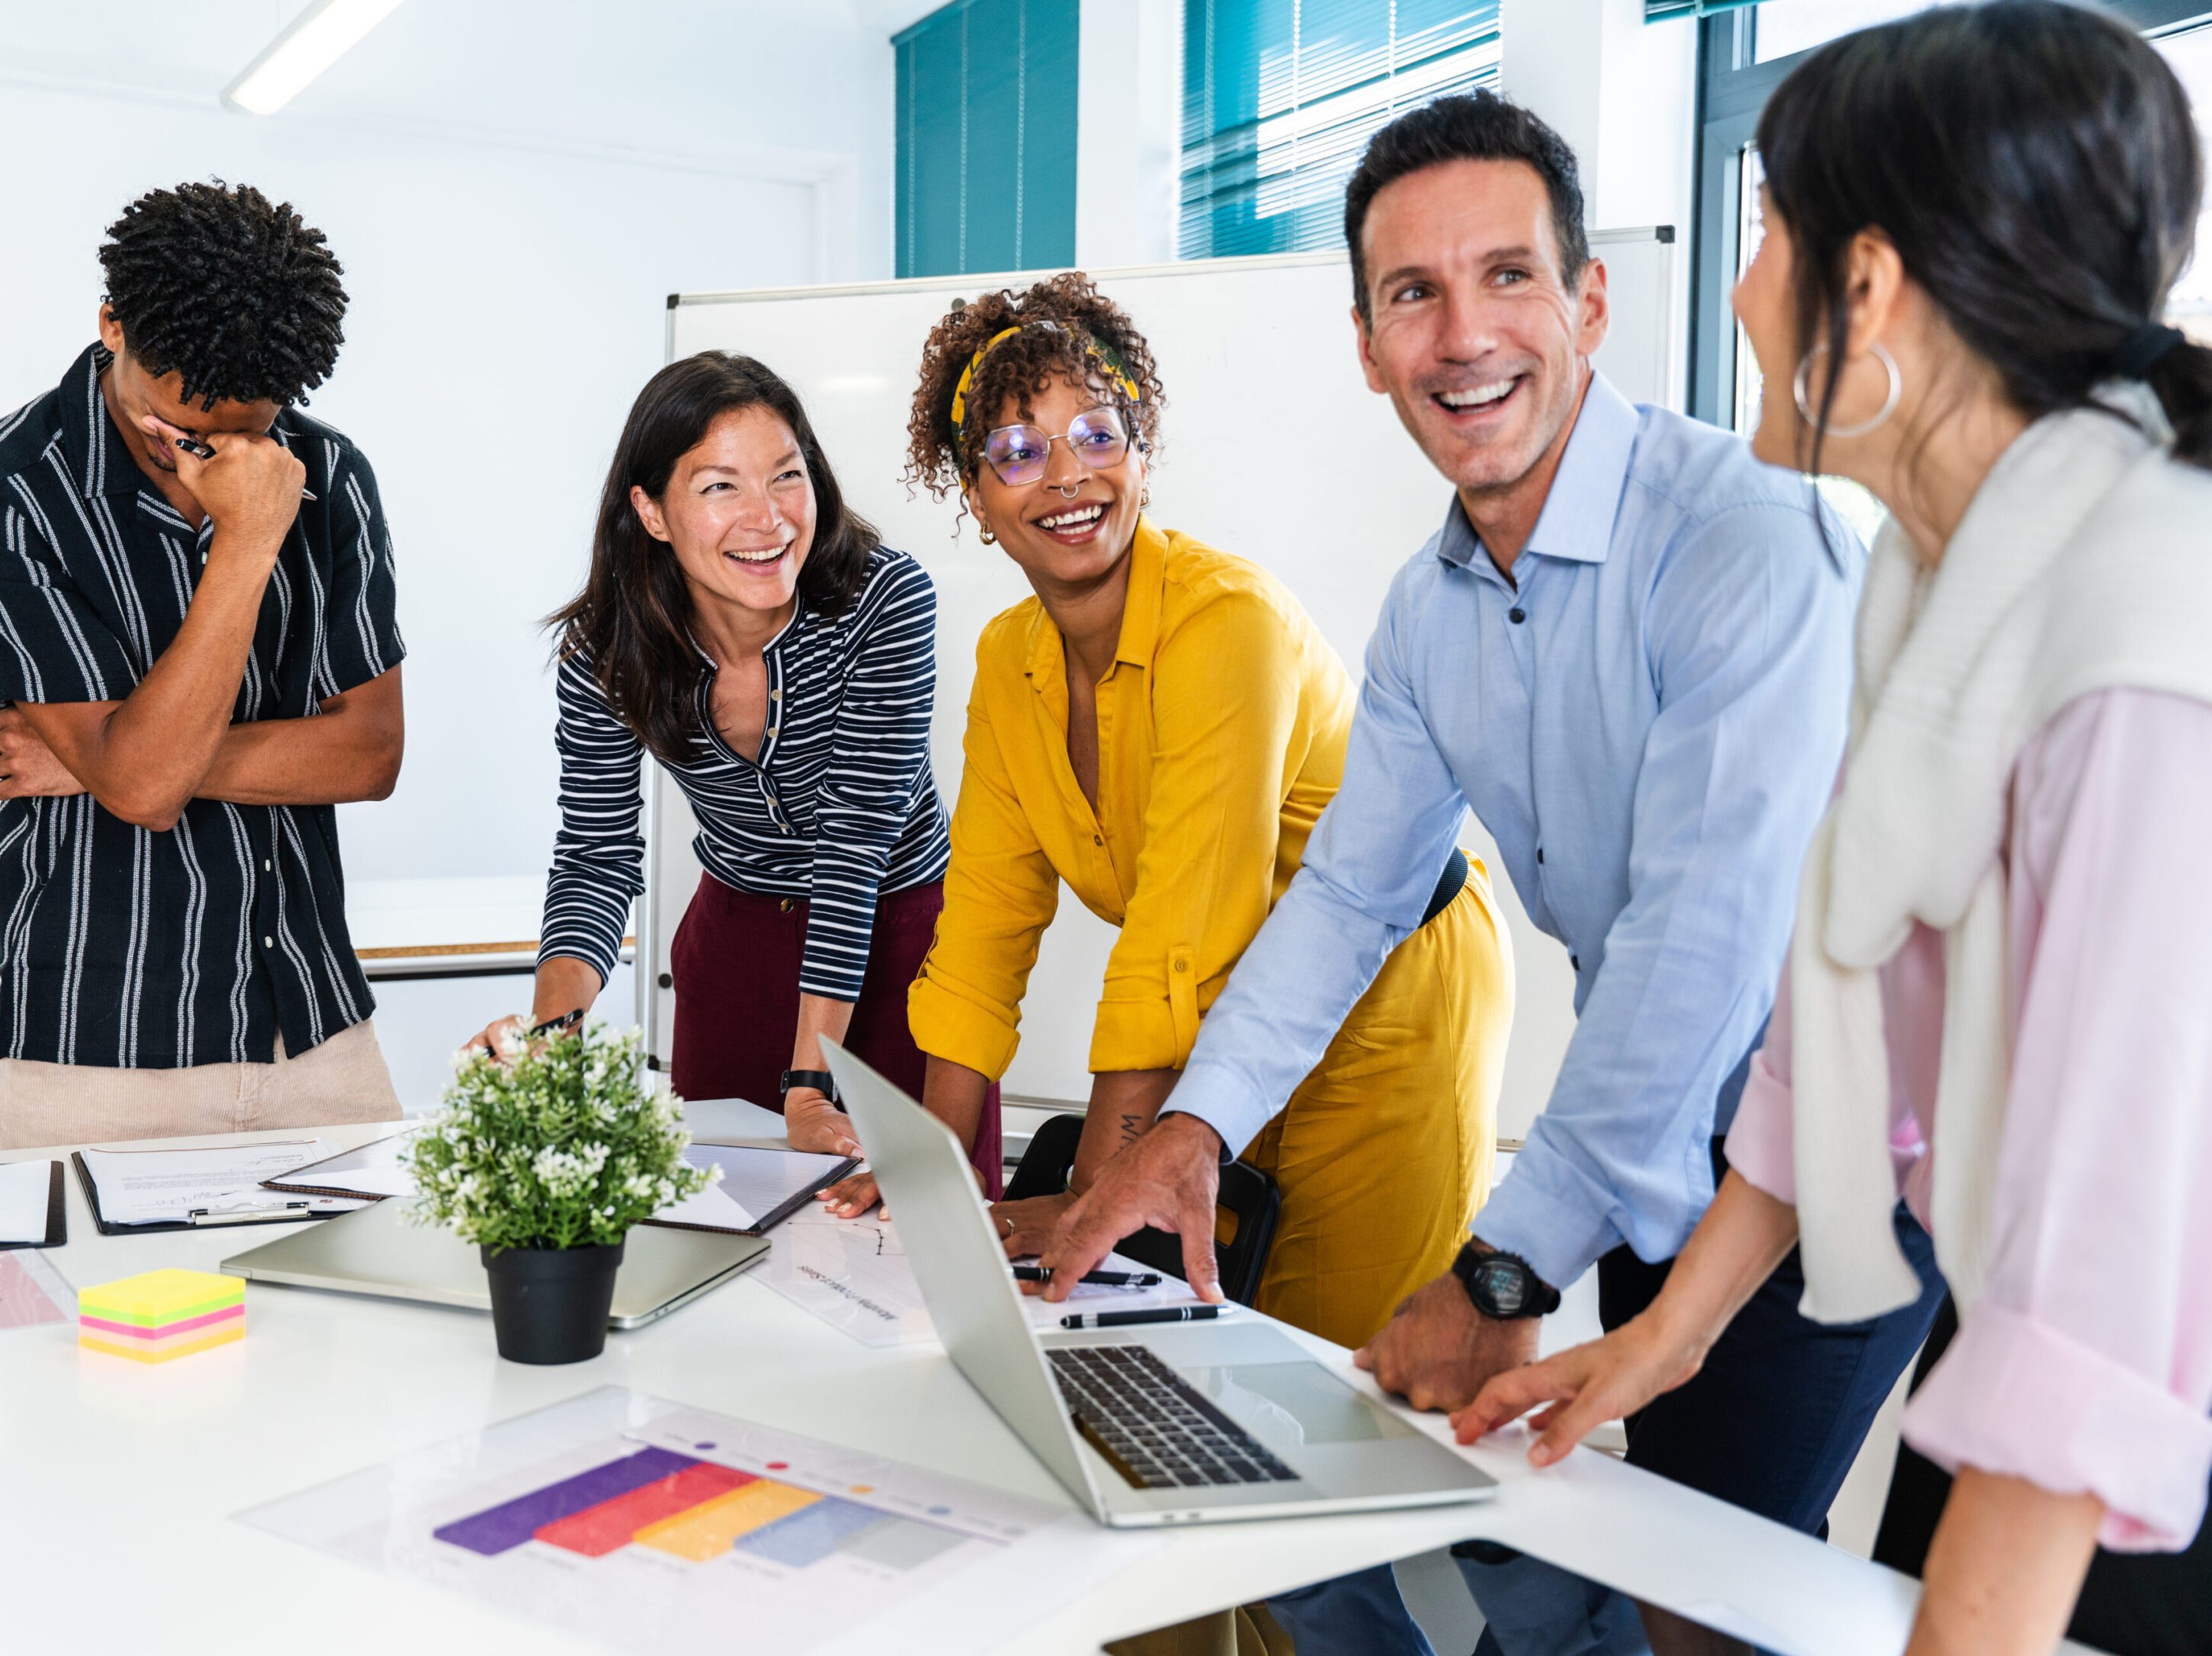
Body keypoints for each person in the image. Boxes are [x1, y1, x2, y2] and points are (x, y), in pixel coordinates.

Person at [1037, 92, 1939, 1654]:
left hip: (1872, 1148)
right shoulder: (1425, 613)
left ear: (1585, 301)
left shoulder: (1749, 542)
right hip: (1688, 1133)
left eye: (1505, 277)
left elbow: (1693, 947)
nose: (1463, 337)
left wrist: (1509, 1255)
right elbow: (1345, 897)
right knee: (1655, 1543)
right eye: (1412, 295)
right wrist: (1195, 1125)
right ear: (1367, 340)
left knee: (1712, 1565)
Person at [1454, 8, 2212, 1654]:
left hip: (2154, 1411)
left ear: (1861, 290)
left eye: (1768, 238)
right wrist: (1659, 1343)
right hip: (2038, 1351)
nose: (1737, 291)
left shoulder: (2139, 645)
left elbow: (2104, 1260)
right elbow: (1843, 1031)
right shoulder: (1941, 576)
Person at [889, 271, 1513, 1357]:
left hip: (1391, 994)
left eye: (1095, 432)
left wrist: (1091, 1211)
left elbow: (1171, 946)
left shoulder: (1226, 624)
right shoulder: (1006, 664)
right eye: (1016, 451)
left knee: (1327, 1363)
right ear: (973, 499)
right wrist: (931, 1199)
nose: (1065, 476)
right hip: (1236, 1021)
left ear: (1141, 448)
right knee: (1201, 1337)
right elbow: (981, 934)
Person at [0, 181, 406, 1151]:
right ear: (111, 324)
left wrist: (103, 760)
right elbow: (143, 790)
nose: (205, 451)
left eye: (245, 430)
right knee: (90, 1313)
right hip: (96, 1051)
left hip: (316, 1030)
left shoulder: (332, 472)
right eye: (176, 422)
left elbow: (366, 758)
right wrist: (248, 540)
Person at [468, 353, 1001, 1193]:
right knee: (721, 1223)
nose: (767, 519)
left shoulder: (883, 600)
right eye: (720, 487)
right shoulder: (608, 651)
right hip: (737, 946)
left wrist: (807, 1081)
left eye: (786, 477)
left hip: (905, 944)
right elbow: (596, 857)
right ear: (649, 511)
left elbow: (854, 846)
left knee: (914, 1239)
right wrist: (550, 1038)